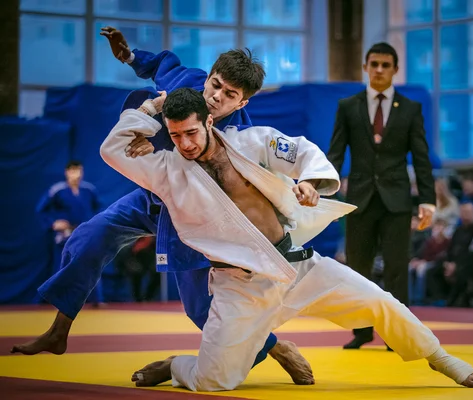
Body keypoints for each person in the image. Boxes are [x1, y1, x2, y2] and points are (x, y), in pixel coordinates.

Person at [101, 87, 473, 392]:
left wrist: (309, 182)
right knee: (212, 382)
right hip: (240, 287)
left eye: (191, 132)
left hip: (298, 265)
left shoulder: (252, 142)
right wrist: (153, 107)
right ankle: (177, 365)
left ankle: (438, 356)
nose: (184, 144)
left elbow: (301, 151)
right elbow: (112, 150)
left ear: (208, 120)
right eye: (175, 135)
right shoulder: (168, 170)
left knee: (380, 301)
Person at [11, 27, 313, 386]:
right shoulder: (188, 80)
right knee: (89, 236)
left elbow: (255, 186)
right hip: (151, 200)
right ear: (210, 74)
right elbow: (161, 65)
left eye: (229, 94)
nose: (216, 96)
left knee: (201, 310)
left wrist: (154, 146)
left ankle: (276, 347)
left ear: (242, 102)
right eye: (215, 84)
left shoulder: (242, 141)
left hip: (197, 216)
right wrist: (129, 56)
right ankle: (59, 330)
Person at [326, 42, 436, 350]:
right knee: (358, 269)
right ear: (365, 66)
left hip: (398, 199)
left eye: (385, 65)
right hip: (359, 197)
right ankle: (361, 331)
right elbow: (335, 153)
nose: (379, 70)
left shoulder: (411, 109)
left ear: (395, 70)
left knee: (396, 267)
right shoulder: (348, 106)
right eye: (374, 64)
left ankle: (396, 334)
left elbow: (422, 157)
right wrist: (322, 189)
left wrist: (428, 200)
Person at [36, 161, 103, 305]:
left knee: (91, 265)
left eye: (79, 171)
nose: (76, 174)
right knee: (63, 266)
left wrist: (95, 225)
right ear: (67, 172)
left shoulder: (89, 189)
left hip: (85, 233)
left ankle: (96, 300)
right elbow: (41, 210)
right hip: (65, 234)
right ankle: (57, 300)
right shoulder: (57, 190)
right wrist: (52, 223)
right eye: (73, 171)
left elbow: (99, 208)